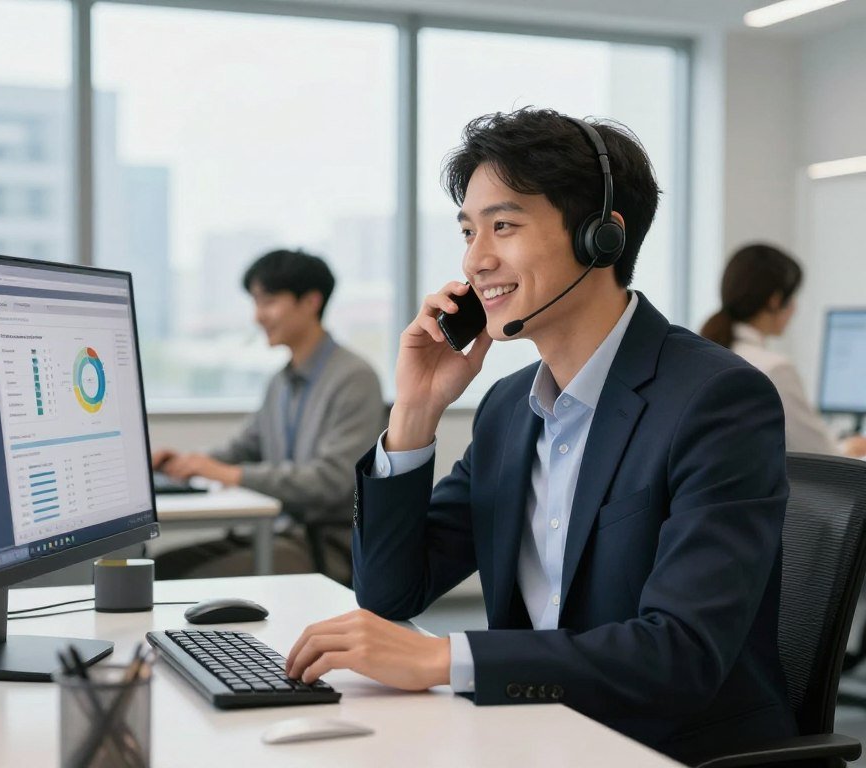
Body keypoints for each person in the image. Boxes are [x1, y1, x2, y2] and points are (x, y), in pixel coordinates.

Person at [285, 109, 797, 765]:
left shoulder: (716, 400)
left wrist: (446, 657)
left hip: (665, 750)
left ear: (600, 239)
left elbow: (681, 654)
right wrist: (413, 411)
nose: (476, 260)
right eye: (469, 231)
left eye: (504, 225)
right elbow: (389, 593)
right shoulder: (508, 408)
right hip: (530, 739)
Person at [152, 249, 384, 583]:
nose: (258, 316)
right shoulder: (282, 381)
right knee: (161, 567)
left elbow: (332, 481)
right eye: (256, 303)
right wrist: (185, 464)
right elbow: (241, 450)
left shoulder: (354, 378)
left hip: (324, 545)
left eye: (269, 301)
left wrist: (231, 474)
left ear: (311, 302)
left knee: (182, 580)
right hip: (275, 534)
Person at [700, 243, 866, 458]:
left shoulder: (705, 351)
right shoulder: (774, 368)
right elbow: (823, 455)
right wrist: (848, 448)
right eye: (793, 297)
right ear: (775, 300)